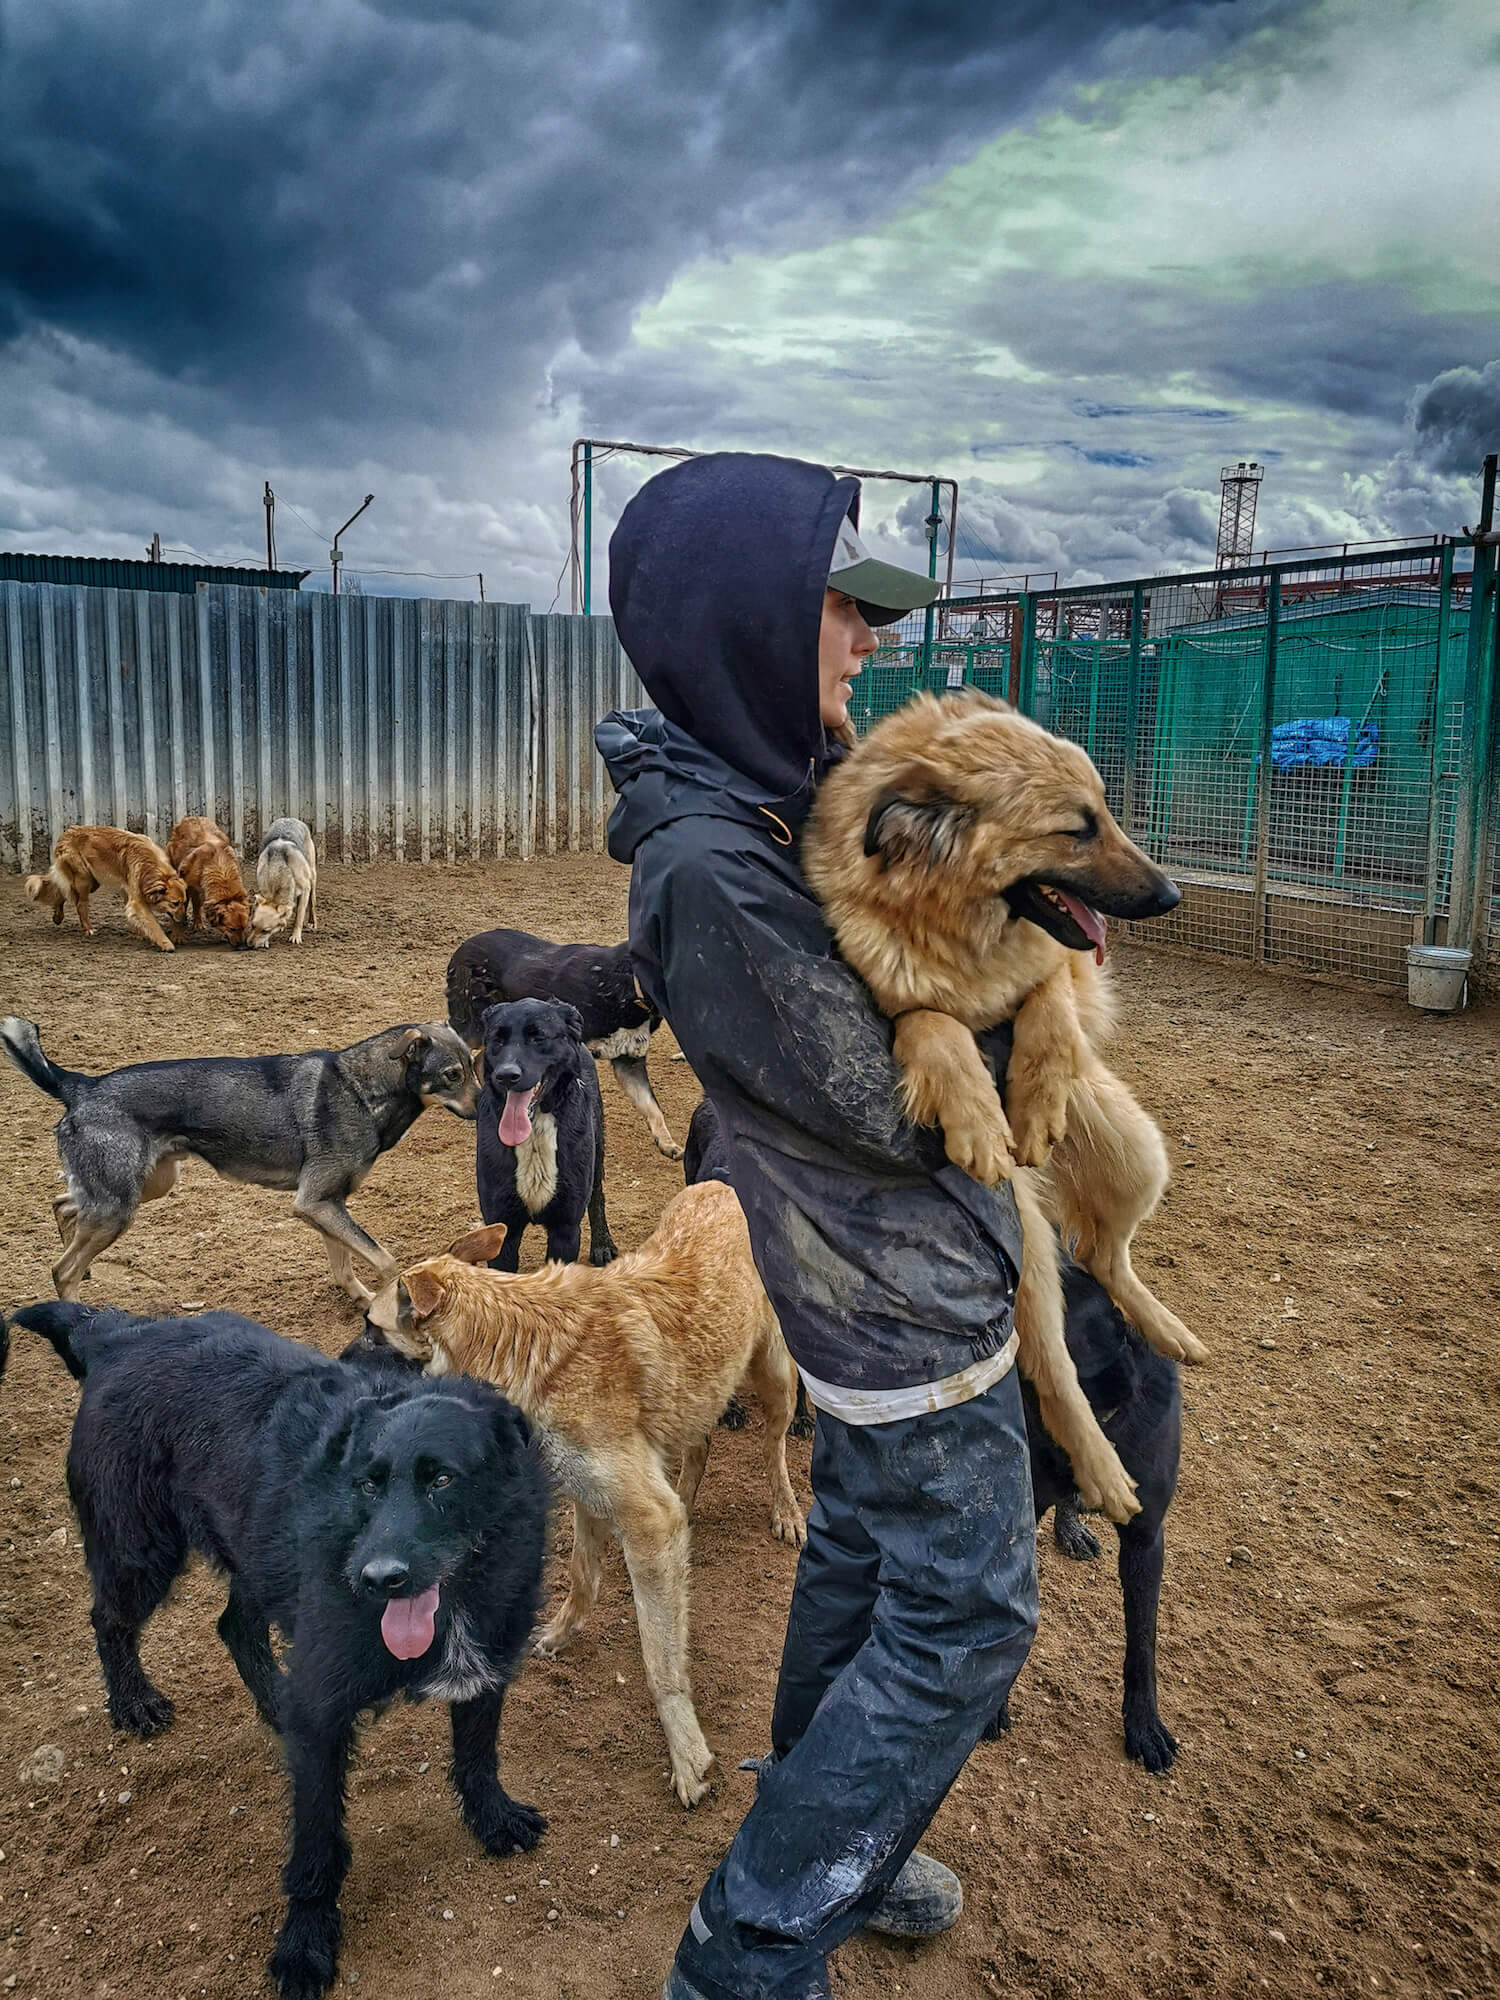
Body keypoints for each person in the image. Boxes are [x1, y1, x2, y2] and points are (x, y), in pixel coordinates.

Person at [597, 451, 1039, 2000]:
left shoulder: (759, 813)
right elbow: (881, 1101)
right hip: (895, 1306)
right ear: (738, 624)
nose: (868, 637)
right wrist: (1021, 971)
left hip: (868, 1294)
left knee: (856, 1548)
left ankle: (824, 1807)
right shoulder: (719, 869)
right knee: (970, 1616)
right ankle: (750, 1947)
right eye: (839, 608)